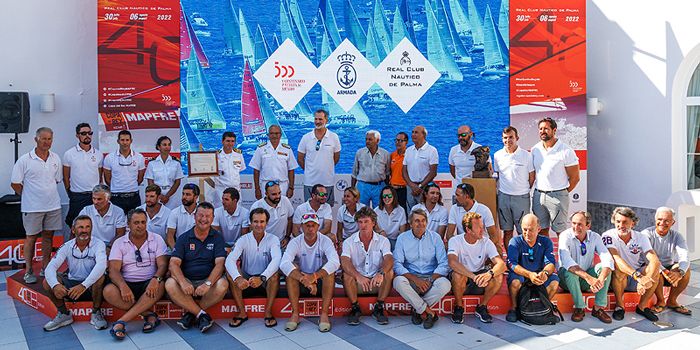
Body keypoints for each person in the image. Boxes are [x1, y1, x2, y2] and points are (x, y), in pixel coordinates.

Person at [104, 208, 168, 339]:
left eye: (143, 222)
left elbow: (163, 264)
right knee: (108, 291)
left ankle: (121, 322)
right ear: (128, 224)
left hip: (149, 283)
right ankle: (149, 315)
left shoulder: (157, 239)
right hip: (127, 283)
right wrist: (122, 286)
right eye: (136, 223)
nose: (140, 226)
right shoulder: (119, 242)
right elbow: (113, 270)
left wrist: (156, 279)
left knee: (161, 285)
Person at [165, 202, 229, 333]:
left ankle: (191, 314)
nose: (204, 219)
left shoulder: (217, 238)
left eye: (208, 216)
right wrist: (182, 282)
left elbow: (220, 264)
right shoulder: (184, 238)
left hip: (208, 280)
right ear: (194, 216)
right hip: (187, 281)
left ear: (212, 218)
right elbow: (173, 263)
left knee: (223, 284)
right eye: (200, 215)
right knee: (170, 283)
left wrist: (208, 283)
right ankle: (202, 315)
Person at [11, 127, 63, 284]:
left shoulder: (56, 158)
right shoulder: (25, 160)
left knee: (48, 237)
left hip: (53, 206)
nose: (47, 142)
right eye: (43, 139)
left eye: (49, 139)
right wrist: (28, 196)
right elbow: (15, 184)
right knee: (31, 238)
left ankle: (46, 269)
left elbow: (56, 180)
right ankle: (28, 271)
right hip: (32, 208)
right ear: (36, 139)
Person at [42, 215, 107, 331]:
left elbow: (101, 265)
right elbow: (50, 267)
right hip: (72, 286)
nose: (85, 230)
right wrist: (55, 285)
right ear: (73, 230)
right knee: (47, 282)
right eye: (81, 227)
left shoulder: (99, 244)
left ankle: (96, 313)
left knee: (100, 277)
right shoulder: (67, 246)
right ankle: (63, 314)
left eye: (88, 227)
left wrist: (83, 286)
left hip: (91, 287)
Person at [280, 213, 340, 332]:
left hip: (319, 281)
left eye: (313, 225)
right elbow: (284, 263)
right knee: (291, 273)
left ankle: (324, 314)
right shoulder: (295, 241)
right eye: (307, 226)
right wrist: (305, 280)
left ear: (318, 226)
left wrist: (314, 276)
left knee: (330, 273)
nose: (310, 229)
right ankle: (295, 314)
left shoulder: (325, 240)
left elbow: (335, 262)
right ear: (301, 227)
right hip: (302, 282)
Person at [393, 209, 450, 329]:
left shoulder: (435, 238)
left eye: (423, 221)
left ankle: (417, 309)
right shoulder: (402, 238)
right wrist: (415, 279)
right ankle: (430, 313)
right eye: (417, 221)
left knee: (445, 284)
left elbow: (444, 264)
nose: (421, 224)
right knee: (397, 282)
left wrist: (430, 279)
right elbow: (397, 264)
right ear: (411, 223)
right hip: (412, 278)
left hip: (431, 277)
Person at [225, 208, 281, 328]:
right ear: (250, 223)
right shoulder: (243, 239)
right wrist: (238, 278)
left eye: (262, 221)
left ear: (267, 223)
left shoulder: (273, 239)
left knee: (275, 273)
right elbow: (229, 260)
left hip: (264, 281)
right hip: (246, 281)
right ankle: (242, 312)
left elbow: (277, 260)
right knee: (231, 274)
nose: (259, 225)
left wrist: (262, 277)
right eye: (255, 222)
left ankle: (268, 312)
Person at [603, 207, 661, 322]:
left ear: (633, 223)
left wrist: (646, 279)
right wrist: (639, 277)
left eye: (625, 222)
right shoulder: (608, 235)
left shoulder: (641, 237)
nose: (621, 225)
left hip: (636, 276)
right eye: (618, 221)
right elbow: (616, 259)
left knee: (655, 271)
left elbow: (654, 260)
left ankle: (642, 307)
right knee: (619, 270)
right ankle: (620, 306)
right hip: (618, 278)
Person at [449, 212, 506, 324]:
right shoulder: (455, 240)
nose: (483, 230)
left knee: (498, 275)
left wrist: (489, 274)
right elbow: (452, 262)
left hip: (480, 279)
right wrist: (473, 277)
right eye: (479, 227)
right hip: (464, 280)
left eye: (482, 226)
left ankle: (482, 306)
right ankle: (459, 307)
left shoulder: (486, 241)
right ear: (468, 230)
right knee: (457, 274)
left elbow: (501, 264)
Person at [558, 211, 614, 323]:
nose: (575, 227)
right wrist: (589, 278)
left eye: (580, 224)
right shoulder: (565, 235)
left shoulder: (595, 236)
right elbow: (567, 262)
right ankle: (579, 307)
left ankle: (598, 308)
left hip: (585, 279)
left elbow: (607, 258)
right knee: (571, 272)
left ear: (588, 226)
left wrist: (600, 280)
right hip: (566, 278)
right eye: (573, 223)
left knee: (604, 268)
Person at [342, 207, 394, 325]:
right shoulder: (349, 241)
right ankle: (355, 308)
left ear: (374, 223)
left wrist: (380, 273)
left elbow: (389, 259)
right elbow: (344, 261)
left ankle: (379, 307)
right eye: (360, 222)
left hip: (376, 282)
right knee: (347, 274)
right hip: (358, 283)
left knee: (389, 272)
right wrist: (358, 276)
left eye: (366, 222)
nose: (363, 225)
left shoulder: (383, 240)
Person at [505, 214, 559, 323]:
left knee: (554, 282)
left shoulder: (546, 241)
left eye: (531, 230)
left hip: (539, 274)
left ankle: (542, 306)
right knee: (515, 282)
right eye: (524, 229)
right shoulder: (515, 241)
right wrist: (529, 274)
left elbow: (551, 263)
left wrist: (545, 273)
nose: (527, 233)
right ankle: (515, 309)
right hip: (522, 275)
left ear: (538, 229)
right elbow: (511, 264)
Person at [531, 117, 580, 236]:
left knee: (560, 232)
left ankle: (564, 255)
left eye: (546, 128)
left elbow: (575, 178)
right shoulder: (535, 149)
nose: (543, 131)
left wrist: (561, 192)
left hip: (558, 196)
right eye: (541, 129)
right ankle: (546, 255)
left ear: (554, 130)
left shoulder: (566, 151)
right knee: (541, 231)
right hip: (539, 196)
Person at [642, 207, 692, 315]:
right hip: (651, 268)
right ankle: (661, 302)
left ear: (673, 222)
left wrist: (680, 272)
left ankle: (672, 301)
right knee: (655, 271)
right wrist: (664, 271)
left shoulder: (677, 236)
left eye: (667, 220)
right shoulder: (646, 234)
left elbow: (685, 255)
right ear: (655, 220)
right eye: (659, 219)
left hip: (668, 269)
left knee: (686, 270)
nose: (662, 223)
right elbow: (647, 258)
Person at [493, 126, 534, 247]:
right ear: (502, 139)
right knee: (507, 231)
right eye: (505, 138)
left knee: (524, 231)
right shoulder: (497, 155)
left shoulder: (527, 155)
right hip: (503, 197)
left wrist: (523, 190)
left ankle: (524, 258)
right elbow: (498, 175)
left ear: (517, 138)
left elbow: (532, 177)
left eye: (511, 137)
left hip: (521, 198)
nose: (508, 140)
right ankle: (511, 259)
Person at [63, 122, 103, 228]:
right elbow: (66, 177)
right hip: (77, 196)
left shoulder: (98, 154)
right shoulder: (69, 154)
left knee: (94, 225)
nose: (87, 136)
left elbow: (99, 176)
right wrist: (71, 194)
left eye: (90, 133)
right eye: (84, 133)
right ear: (77, 135)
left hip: (94, 197)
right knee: (74, 225)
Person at [297, 109, 341, 204]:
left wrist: (326, 167)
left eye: (320, 119)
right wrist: (309, 169)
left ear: (326, 120)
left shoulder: (334, 137)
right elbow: (300, 158)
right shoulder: (306, 137)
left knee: (327, 209)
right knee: (309, 210)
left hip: (327, 181)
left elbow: (336, 158)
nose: (317, 122)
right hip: (310, 182)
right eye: (316, 119)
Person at [250, 125, 298, 199]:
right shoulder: (260, 149)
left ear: (280, 135)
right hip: (266, 185)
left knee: (282, 208)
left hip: (282, 185)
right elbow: (256, 170)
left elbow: (291, 170)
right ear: (268, 135)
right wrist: (257, 189)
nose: (274, 136)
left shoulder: (287, 149)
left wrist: (291, 188)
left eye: (277, 133)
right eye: (272, 133)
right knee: (266, 208)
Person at [103, 130, 146, 214]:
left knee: (135, 223)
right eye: (122, 140)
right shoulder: (109, 157)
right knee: (117, 224)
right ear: (118, 141)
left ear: (131, 141)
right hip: (116, 198)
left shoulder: (139, 157)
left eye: (127, 140)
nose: (125, 143)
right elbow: (107, 179)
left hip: (134, 197)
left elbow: (140, 179)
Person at [447, 183, 499, 252]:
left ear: (467, 196)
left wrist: (483, 250)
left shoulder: (484, 210)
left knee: (498, 251)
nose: (455, 198)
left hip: (482, 247)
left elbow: (494, 237)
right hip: (463, 247)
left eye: (457, 195)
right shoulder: (454, 208)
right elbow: (449, 235)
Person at [402, 126, 438, 210]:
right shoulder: (408, 150)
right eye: (412, 132)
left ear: (424, 135)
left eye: (416, 132)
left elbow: (433, 172)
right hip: (410, 188)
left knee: (425, 213)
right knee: (411, 214)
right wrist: (412, 185)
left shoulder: (432, 150)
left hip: (425, 188)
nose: (413, 134)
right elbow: (404, 171)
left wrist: (420, 186)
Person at [352, 130, 390, 208]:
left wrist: (387, 188)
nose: (367, 141)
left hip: (379, 186)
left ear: (378, 141)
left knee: (380, 210)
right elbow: (354, 173)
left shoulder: (385, 154)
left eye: (370, 139)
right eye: (366, 139)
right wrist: (352, 190)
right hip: (363, 186)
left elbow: (387, 173)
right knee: (361, 210)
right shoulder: (359, 153)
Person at [250, 181, 295, 247]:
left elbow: (290, 219)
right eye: (274, 194)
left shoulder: (285, 200)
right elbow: (252, 228)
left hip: (281, 243)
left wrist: (287, 237)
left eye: (279, 193)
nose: (278, 196)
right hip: (263, 244)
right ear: (266, 194)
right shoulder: (257, 206)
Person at [207, 132, 246, 207]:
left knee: (237, 213)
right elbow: (209, 173)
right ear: (222, 141)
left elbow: (240, 169)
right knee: (221, 214)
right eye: (228, 141)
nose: (230, 143)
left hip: (236, 191)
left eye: (232, 141)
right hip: (221, 191)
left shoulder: (238, 155)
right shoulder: (216, 155)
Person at [145, 136, 184, 209]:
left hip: (172, 196)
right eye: (164, 145)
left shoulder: (176, 163)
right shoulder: (152, 163)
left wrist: (167, 196)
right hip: (157, 196)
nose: (167, 147)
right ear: (159, 147)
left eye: (169, 144)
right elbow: (150, 182)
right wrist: (159, 195)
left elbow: (177, 182)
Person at [448, 125, 491, 189]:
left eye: (463, 135)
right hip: (458, 191)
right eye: (458, 135)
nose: (460, 138)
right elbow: (452, 171)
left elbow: (490, 169)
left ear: (471, 134)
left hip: (476, 190)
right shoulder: (453, 150)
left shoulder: (481, 150)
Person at [166, 183, 199, 249]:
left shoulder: (202, 212)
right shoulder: (174, 212)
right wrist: (176, 251)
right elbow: (169, 235)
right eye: (183, 194)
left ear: (196, 197)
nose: (184, 197)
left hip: (199, 247)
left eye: (188, 195)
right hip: (181, 247)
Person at [390, 132, 409, 212]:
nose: (398, 142)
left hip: (404, 189)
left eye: (401, 140)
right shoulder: (392, 155)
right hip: (393, 190)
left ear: (406, 142)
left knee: (404, 213)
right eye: (397, 140)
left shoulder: (409, 155)